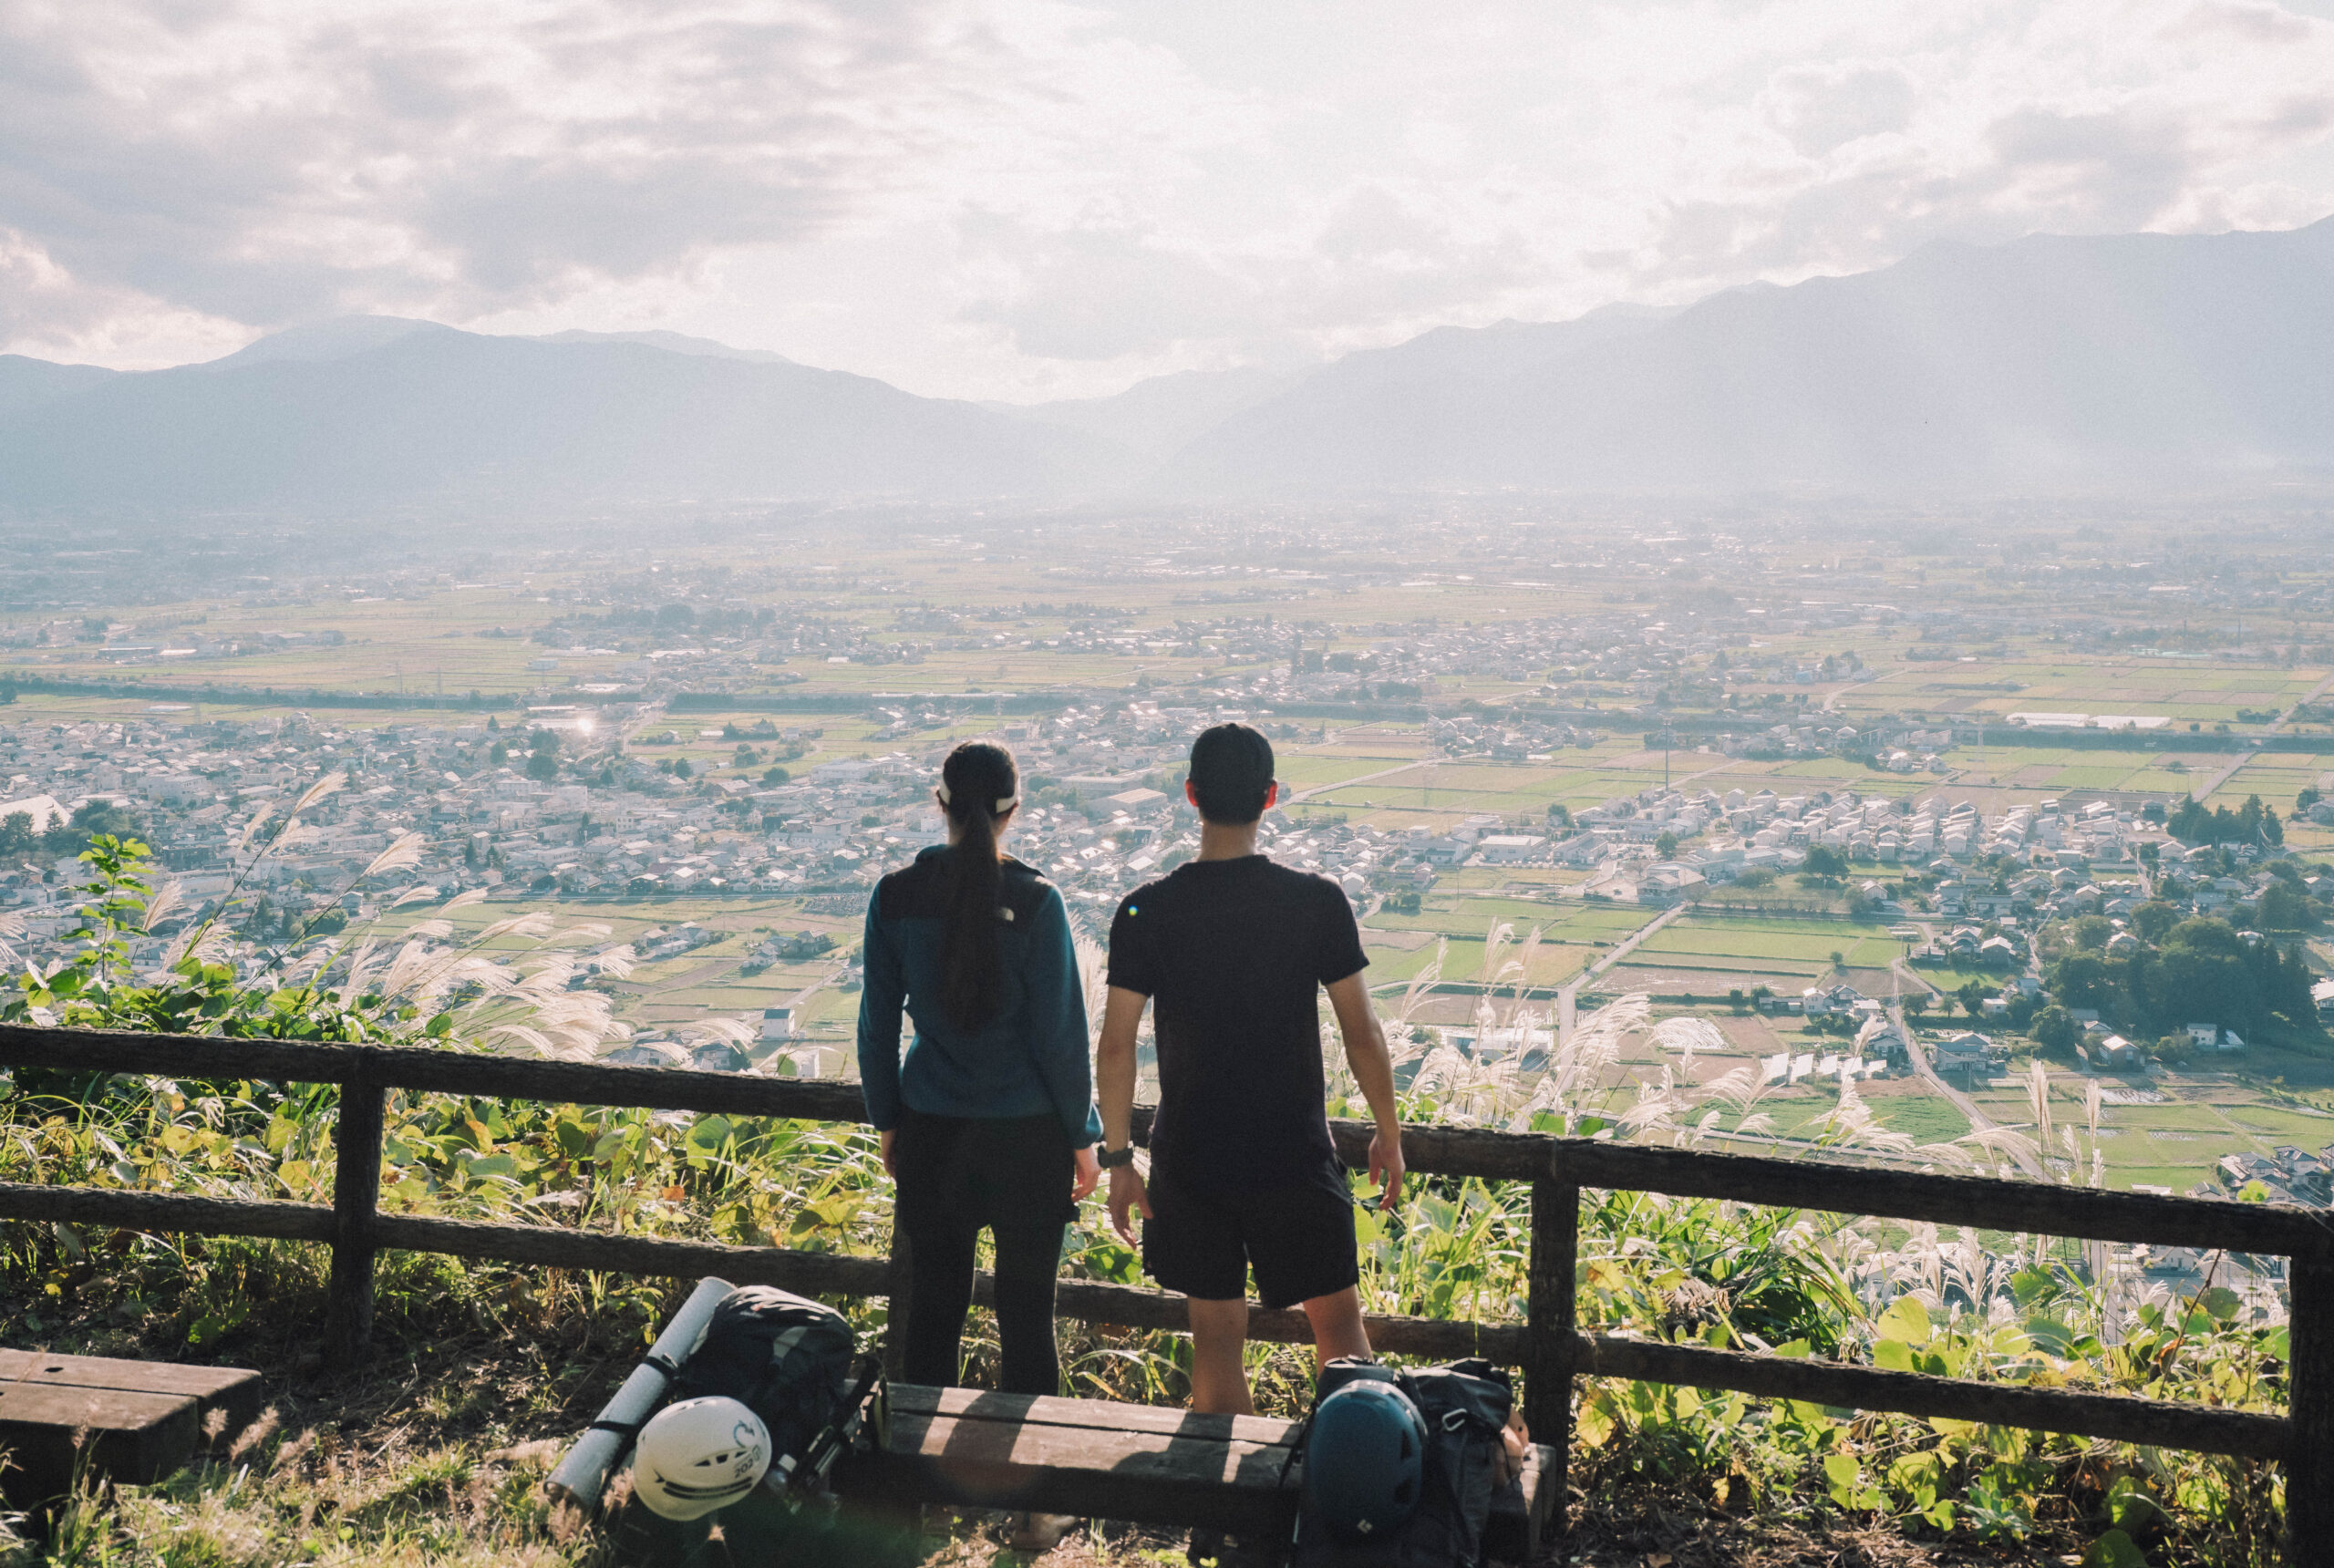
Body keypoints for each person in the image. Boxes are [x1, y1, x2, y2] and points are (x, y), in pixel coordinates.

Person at [1098, 722, 1404, 1418]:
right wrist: (1388, 1131)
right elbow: (1362, 1031)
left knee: (1214, 1340)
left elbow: (1116, 1046)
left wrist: (1119, 1159)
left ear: (1190, 795)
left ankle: (1221, 1518)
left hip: (1193, 1153)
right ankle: (1353, 1489)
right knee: (1341, 1334)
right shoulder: (1315, 901)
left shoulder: (1148, 909)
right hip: (1292, 1150)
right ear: (1270, 796)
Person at [857, 740, 1103, 1406]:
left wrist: (887, 1120)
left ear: (940, 804)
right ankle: (1029, 1500)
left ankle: (917, 1488)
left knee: (934, 1314)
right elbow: (1061, 1038)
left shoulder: (896, 897)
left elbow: (877, 1027)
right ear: (1012, 811)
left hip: (932, 1131)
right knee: (1028, 1321)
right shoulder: (1036, 901)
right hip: (1029, 1139)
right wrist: (1084, 1136)